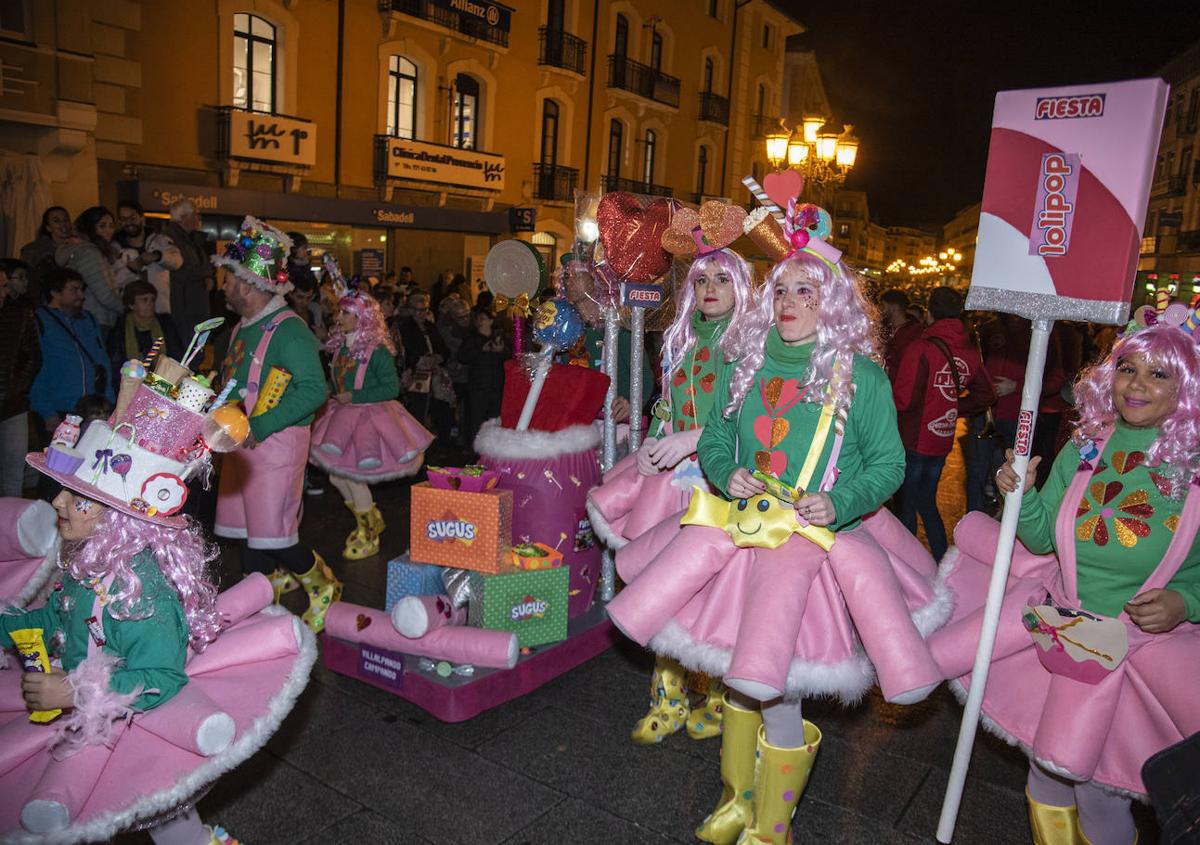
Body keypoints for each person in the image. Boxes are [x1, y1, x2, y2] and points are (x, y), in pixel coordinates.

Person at [605, 208, 948, 844]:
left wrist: (839, 501)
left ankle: (773, 824)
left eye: (806, 291)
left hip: (810, 548)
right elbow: (714, 437)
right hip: (736, 533)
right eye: (782, 289)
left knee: (777, 685)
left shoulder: (861, 377)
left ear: (834, 304)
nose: (790, 302)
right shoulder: (747, 361)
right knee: (738, 675)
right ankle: (737, 799)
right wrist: (726, 470)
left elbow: (888, 464)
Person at [932, 308, 1200, 845]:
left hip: (1146, 652)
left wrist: (1186, 601)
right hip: (1070, 634)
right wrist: (1021, 493)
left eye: (1159, 373)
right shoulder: (1089, 444)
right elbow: (1040, 537)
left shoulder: (1193, 462)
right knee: (1048, 773)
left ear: (1186, 388)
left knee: (1099, 792)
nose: (1137, 384)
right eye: (1128, 368)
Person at [1, 403, 313, 842]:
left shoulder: (146, 596)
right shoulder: (87, 564)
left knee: (157, 799)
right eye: (65, 491)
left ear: (120, 521)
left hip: (136, 710)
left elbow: (159, 678)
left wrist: (73, 690)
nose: (57, 502)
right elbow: (56, 615)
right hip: (77, 702)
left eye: (79, 499)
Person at [589, 204, 755, 746]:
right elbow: (668, 403)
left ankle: (720, 699)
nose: (709, 286)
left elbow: (752, 423)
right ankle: (669, 698)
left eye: (722, 278)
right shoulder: (682, 339)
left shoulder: (752, 348)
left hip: (720, 484)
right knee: (663, 584)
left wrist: (698, 441)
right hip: (672, 478)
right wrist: (652, 436)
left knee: (716, 595)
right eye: (701, 277)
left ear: (742, 286)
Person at [212, 217, 338, 632]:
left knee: (277, 535)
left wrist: (259, 427)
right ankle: (264, 600)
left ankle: (323, 585)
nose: (222, 286)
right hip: (244, 449)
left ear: (247, 285)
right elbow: (234, 385)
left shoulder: (290, 331)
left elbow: (313, 390)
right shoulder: (240, 330)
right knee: (253, 535)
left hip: (275, 446)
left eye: (227, 279)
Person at [309, 273, 433, 559]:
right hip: (341, 417)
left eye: (346, 313)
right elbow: (337, 381)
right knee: (336, 478)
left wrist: (355, 396)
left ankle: (369, 531)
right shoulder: (340, 348)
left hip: (367, 420)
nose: (339, 317)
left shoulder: (376, 352)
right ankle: (371, 519)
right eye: (339, 311)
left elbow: (390, 387)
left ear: (361, 318)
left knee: (352, 477)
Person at [892, 286, 995, 560]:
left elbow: (903, 400)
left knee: (906, 505)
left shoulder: (922, 348)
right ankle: (939, 558)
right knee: (926, 501)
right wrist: (952, 406)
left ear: (929, 312)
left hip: (913, 437)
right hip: (941, 437)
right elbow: (986, 393)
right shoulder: (971, 351)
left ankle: (907, 566)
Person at [30, 267, 114, 438]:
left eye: (81, 289)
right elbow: (36, 370)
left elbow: (102, 362)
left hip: (92, 410)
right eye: (74, 289)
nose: (81, 295)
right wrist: (47, 412)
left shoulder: (88, 319)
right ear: (55, 292)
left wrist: (109, 402)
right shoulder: (38, 321)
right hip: (59, 408)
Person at [0, 265, 40, 496]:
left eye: (4, 286)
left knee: (12, 479)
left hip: (12, 406)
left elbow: (33, 357)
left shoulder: (18, 314)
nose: (3, 292)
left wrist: (15, 388)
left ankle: (6, 531)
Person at [52, 207, 125, 330]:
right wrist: (127, 309)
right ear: (90, 227)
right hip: (94, 319)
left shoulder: (92, 250)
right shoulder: (89, 252)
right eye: (102, 226)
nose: (108, 231)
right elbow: (103, 293)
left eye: (111, 226)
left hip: (91, 318)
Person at [106, 279, 184, 385]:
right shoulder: (120, 330)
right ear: (131, 305)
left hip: (163, 384)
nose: (150, 304)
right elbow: (116, 365)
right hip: (131, 384)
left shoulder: (165, 324)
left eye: (152, 300)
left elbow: (177, 356)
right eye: (144, 300)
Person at [114, 200, 183, 314]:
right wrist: (130, 270)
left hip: (160, 310)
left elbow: (178, 261)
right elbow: (111, 282)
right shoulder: (114, 248)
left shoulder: (160, 240)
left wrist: (158, 256)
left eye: (132, 218)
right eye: (123, 219)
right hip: (131, 315)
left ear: (142, 218)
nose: (128, 223)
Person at [161, 199, 214, 339]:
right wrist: (207, 271)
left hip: (193, 304)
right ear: (184, 217)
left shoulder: (191, 239)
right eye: (196, 214)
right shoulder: (171, 239)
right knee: (187, 348)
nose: (198, 218)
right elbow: (180, 272)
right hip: (185, 307)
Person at [457, 306, 508, 447]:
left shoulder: (498, 337)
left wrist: (501, 351)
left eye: (483, 318)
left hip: (496, 385)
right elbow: (462, 357)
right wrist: (480, 350)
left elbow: (509, 358)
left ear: (490, 321)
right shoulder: (472, 338)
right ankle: (475, 447)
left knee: (494, 418)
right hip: (478, 385)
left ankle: (493, 447)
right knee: (476, 419)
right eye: (478, 319)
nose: (480, 321)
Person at [19, 206, 74, 306]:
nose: (63, 224)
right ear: (48, 227)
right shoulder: (35, 252)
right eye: (56, 221)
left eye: (66, 220)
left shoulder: (80, 248)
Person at [879, 288, 926, 380]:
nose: (881, 311)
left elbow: (908, 363)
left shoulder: (913, 332)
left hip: (900, 384)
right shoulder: (886, 329)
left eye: (884, 307)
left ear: (894, 308)